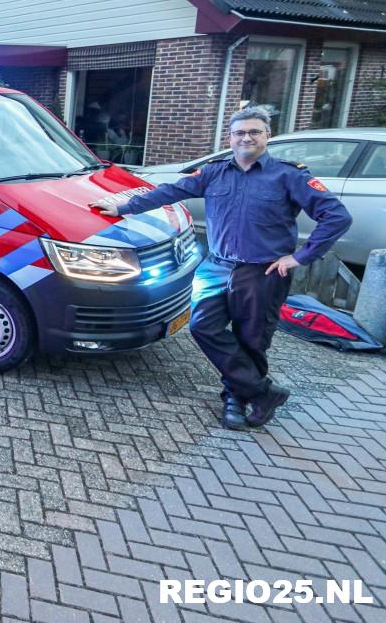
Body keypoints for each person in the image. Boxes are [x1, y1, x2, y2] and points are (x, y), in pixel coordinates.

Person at [91, 107, 351, 431]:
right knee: (203, 327)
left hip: (262, 273)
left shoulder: (289, 175)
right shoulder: (214, 172)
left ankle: (236, 400)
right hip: (215, 267)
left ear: (267, 136)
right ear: (230, 138)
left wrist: (299, 257)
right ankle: (262, 391)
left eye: (254, 132)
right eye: (240, 132)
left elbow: (337, 217)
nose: (246, 137)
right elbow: (171, 191)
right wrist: (124, 207)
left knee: (252, 340)